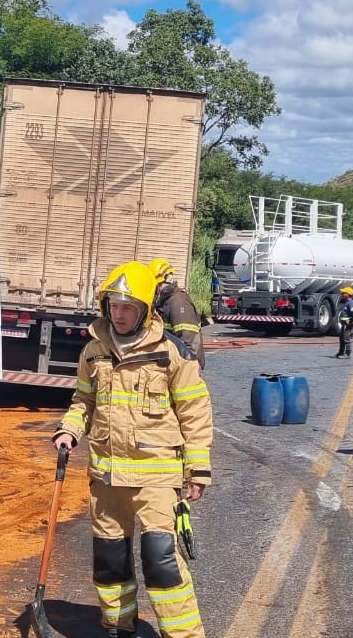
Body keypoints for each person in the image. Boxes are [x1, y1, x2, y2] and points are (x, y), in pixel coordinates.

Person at [54, 261, 212, 638]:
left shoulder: (171, 353)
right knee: (110, 561)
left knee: (161, 561)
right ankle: (118, 627)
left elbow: (194, 411)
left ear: (145, 310)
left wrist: (198, 468)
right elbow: (83, 401)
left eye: (128, 307)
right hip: (106, 476)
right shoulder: (94, 351)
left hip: (156, 475)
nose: (118, 314)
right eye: (113, 305)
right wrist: (69, 430)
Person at [149, 258, 206, 370]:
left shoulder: (179, 303)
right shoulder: (164, 301)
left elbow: (190, 342)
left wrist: (188, 368)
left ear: (164, 281)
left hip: (184, 366)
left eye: (155, 285)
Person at [334, 286, 353, 358]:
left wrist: (350, 320)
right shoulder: (346, 302)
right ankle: (341, 352)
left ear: (348, 294)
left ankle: (348, 354)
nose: (342, 294)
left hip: (348, 324)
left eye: (344, 293)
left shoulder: (350, 303)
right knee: (341, 338)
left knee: (346, 338)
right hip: (344, 324)